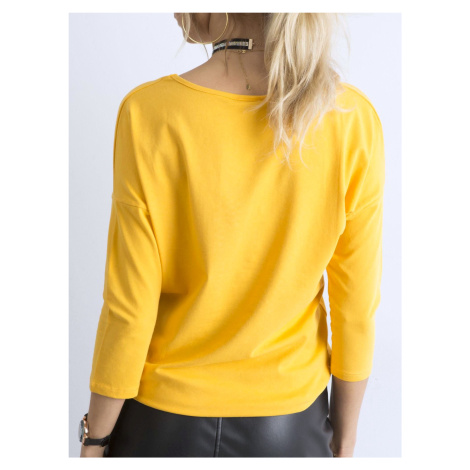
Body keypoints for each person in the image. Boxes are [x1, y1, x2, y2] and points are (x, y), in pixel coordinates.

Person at [79, 12, 385, 458]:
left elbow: (129, 305)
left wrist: (95, 438)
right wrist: (345, 438)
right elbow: (356, 306)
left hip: (163, 423)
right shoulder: (349, 118)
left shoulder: (148, 112)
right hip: (290, 425)